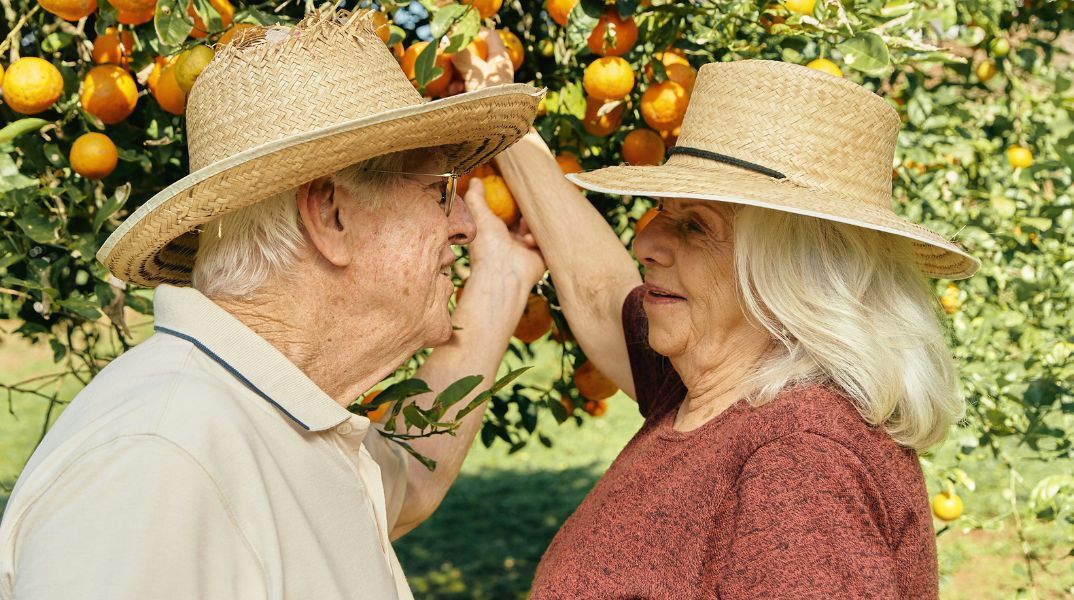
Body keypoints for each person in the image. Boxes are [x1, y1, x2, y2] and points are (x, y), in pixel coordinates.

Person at [0, 10, 544, 599]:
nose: (464, 224)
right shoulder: (157, 464)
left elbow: (408, 482)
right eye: (441, 191)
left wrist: (502, 279)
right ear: (330, 213)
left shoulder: (267, 413)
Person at [453, 51, 979, 598]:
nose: (646, 242)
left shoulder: (801, 462)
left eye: (695, 226)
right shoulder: (706, 389)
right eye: (660, 210)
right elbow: (599, 291)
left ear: (794, 272)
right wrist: (497, 105)